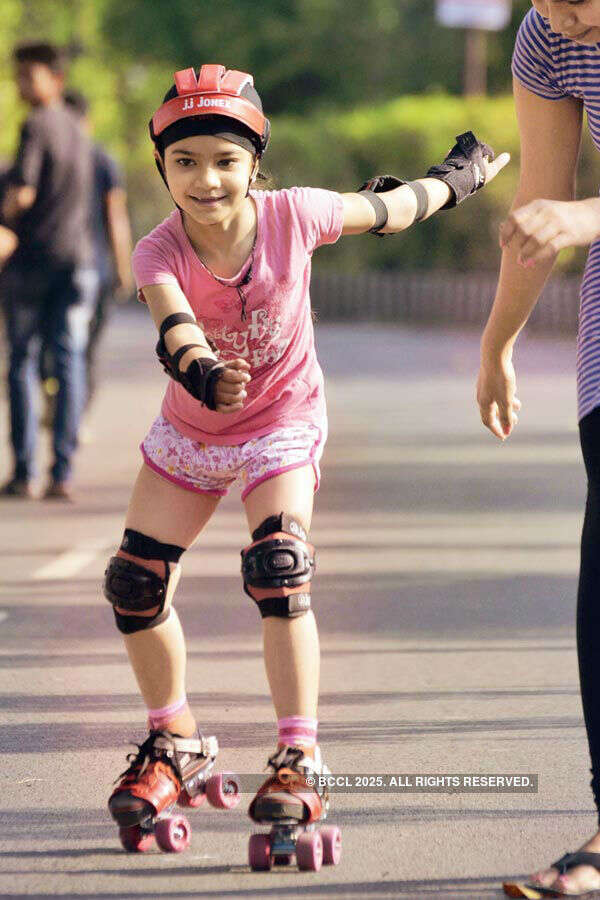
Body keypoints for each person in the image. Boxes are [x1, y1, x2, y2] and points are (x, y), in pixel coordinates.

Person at [104, 63, 508, 862]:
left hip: (282, 419)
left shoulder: (296, 215)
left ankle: (299, 753)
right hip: (196, 423)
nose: (206, 179)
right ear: (164, 171)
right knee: (134, 582)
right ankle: (174, 738)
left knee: (278, 565)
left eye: (225, 159)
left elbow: (388, 209)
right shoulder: (159, 249)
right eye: (185, 162)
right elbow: (175, 324)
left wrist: (455, 182)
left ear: (257, 162)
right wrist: (202, 371)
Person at [477, 3, 600, 897]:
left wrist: (586, 214)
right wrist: (498, 343)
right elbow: (538, 209)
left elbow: (573, 213)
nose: (562, 17)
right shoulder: (547, 38)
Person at [0, 42, 97, 501]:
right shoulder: (80, 131)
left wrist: (5, 220)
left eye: (27, 77)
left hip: (34, 264)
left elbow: (23, 192)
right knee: (68, 360)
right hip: (76, 260)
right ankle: (62, 470)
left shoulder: (36, 125)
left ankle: (24, 471)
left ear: (54, 79)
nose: (21, 86)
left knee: (20, 362)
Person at [62, 89, 134, 411]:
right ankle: (76, 413)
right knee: (86, 347)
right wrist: (124, 266)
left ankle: (64, 405)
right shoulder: (103, 159)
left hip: (58, 265)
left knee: (61, 345)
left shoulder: (50, 153)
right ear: (88, 121)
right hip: (96, 264)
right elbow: (115, 216)